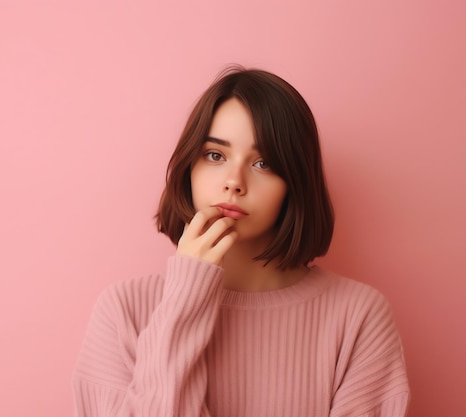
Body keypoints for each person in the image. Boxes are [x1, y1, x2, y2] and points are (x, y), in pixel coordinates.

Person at [72, 67, 410, 416]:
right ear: (189, 166)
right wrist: (186, 297)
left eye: (263, 163)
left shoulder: (358, 317)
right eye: (215, 155)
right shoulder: (124, 312)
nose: (234, 182)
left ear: (294, 184)